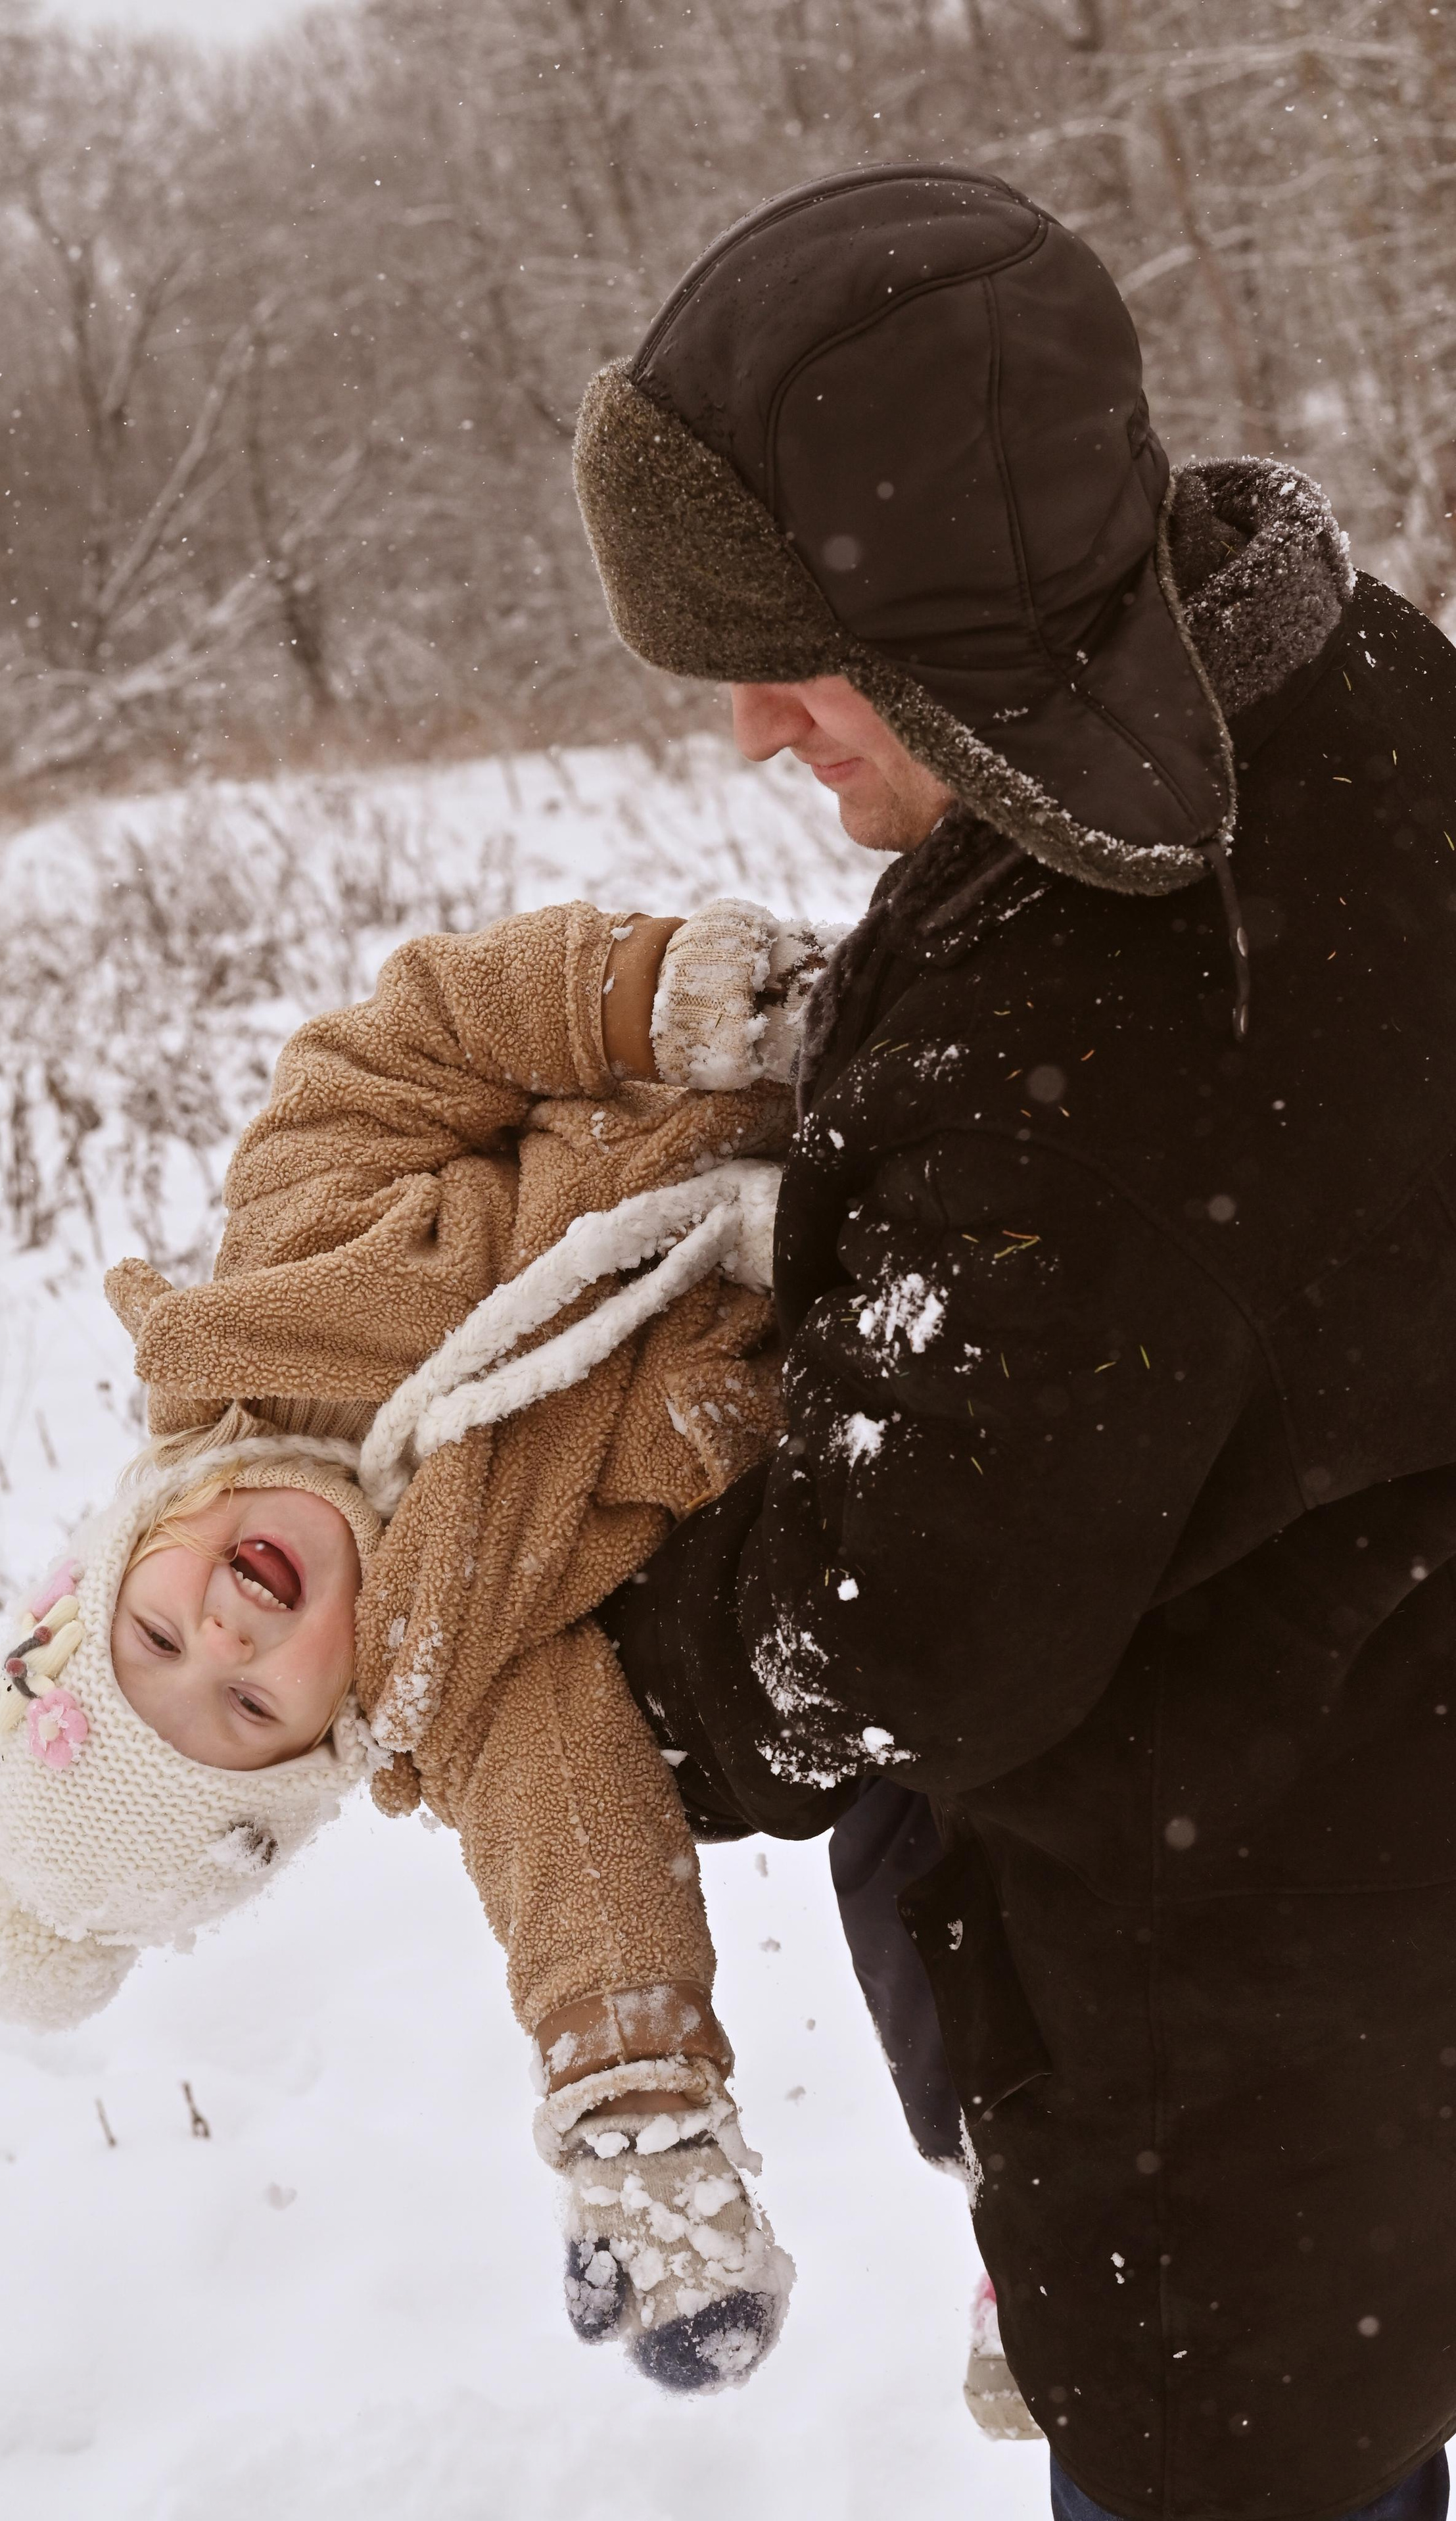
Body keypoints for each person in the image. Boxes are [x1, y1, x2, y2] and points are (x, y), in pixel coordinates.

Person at [575, 162, 1456, 2520]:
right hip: (1379, 1889)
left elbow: (889, 1634)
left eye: (789, 650)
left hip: (1233, 2058)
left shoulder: (1084, 1026)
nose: (752, 732)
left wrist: (579, 1630)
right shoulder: (1353, 683)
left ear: (957, 603)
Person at [0, 895, 853, 2393]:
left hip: (773, 1073)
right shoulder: (453, 1665)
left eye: (155, 1632)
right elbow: (576, 1860)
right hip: (839, 1319)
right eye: (245, 1707)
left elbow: (405, 1044)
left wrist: (640, 999)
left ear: (126, 1547)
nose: (226, 1634)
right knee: (937, 1843)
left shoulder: (279, 1274)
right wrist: (639, 2117)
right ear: (321, 1744)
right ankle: (1042, 2199)